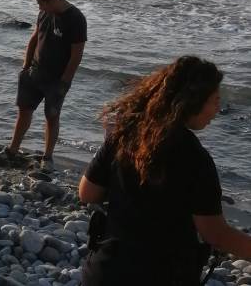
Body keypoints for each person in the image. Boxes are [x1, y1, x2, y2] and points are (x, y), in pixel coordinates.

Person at [79, 56, 251, 285]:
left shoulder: (124, 134)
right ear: (193, 102)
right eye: (215, 100)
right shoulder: (195, 158)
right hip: (162, 275)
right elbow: (216, 234)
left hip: (106, 270)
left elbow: (87, 193)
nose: (217, 109)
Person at [5, 0, 86, 171]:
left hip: (56, 80)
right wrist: (25, 67)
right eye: (39, 4)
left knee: (52, 116)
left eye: (42, 3)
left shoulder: (75, 18)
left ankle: (47, 157)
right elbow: (34, 38)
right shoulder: (44, 13)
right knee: (24, 110)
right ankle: (12, 150)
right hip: (34, 71)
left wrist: (64, 83)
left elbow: (77, 56)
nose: (40, 7)